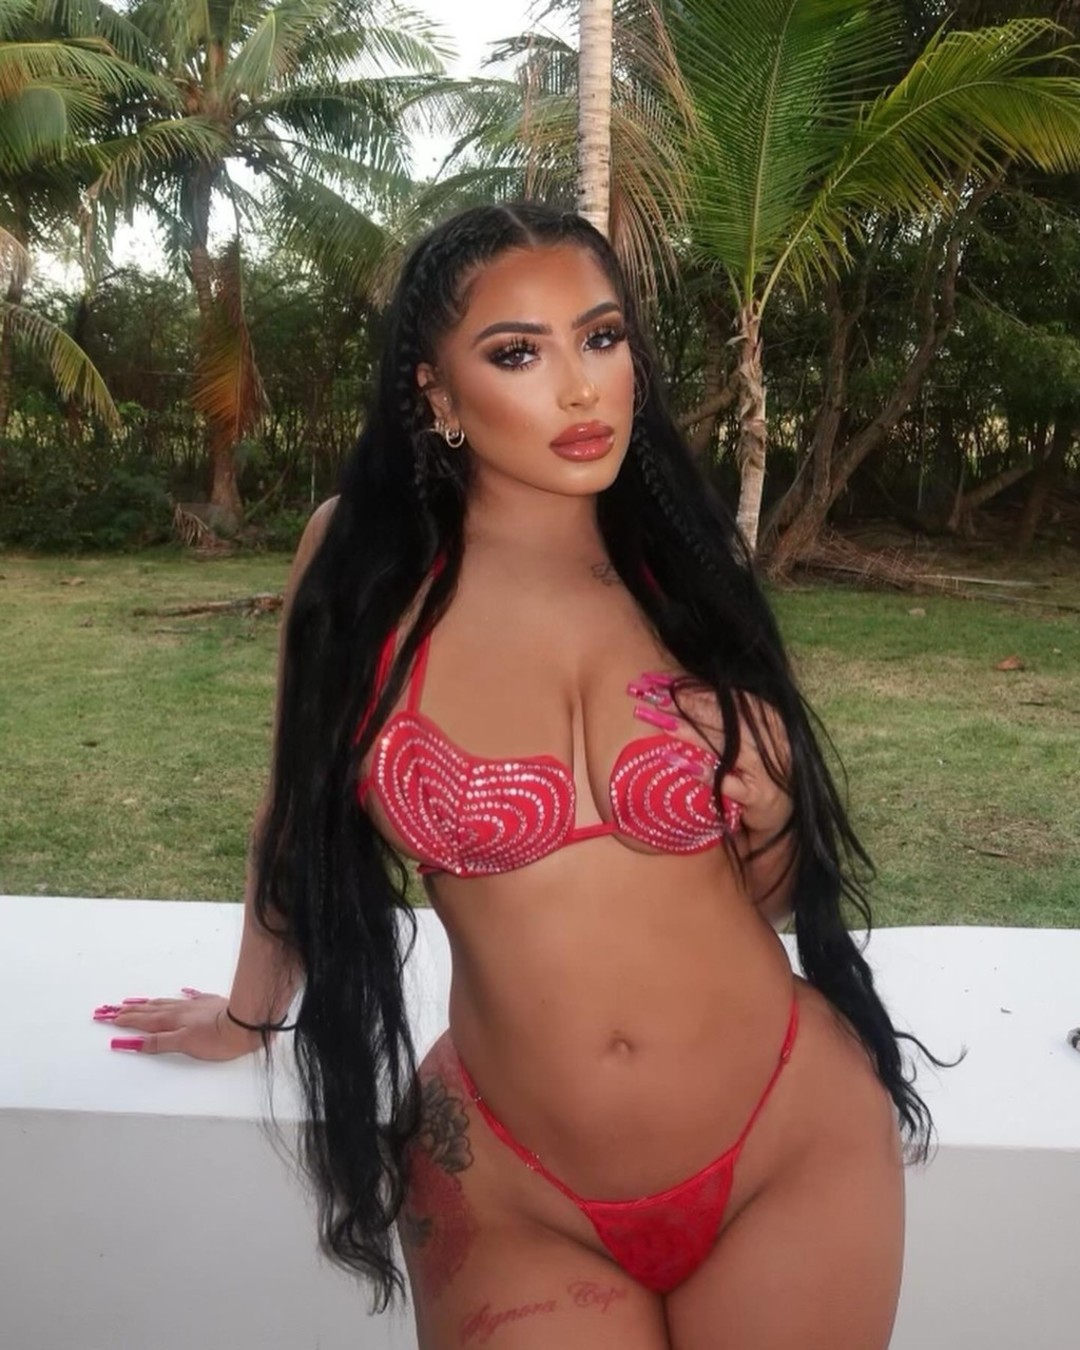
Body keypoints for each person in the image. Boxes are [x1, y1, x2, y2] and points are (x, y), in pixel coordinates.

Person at [96, 203, 932, 1349]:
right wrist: (249, 1015)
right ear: (437, 394)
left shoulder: (681, 557)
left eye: (601, 337)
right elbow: (295, 815)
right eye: (517, 353)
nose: (582, 389)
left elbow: (769, 895)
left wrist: (775, 802)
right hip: (512, 1181)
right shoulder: (361, 565)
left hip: (786, 1140)